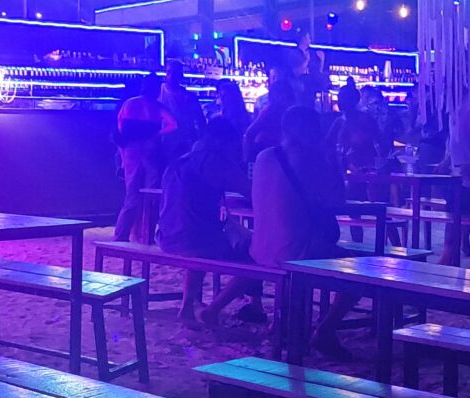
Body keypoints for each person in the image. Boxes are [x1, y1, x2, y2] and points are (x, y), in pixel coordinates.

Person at [251, 106, 360, 355]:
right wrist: (332, 157)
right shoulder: (310, 159)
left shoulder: (264, 156)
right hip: (296, 250)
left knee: (299, 246)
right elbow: (337, 200)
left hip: (260, 248)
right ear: (309, 130)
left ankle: (283, 323)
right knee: (358, 272)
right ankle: (324, 331)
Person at [158, 119, 264, 328]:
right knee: (256, 258)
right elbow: (251, 192)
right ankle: (214, 309)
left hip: (167, 236)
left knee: (198, 234)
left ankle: (187, 306)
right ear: (223, 141)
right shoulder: (215, 160)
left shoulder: (183, 159)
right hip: (194, 239)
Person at [114, 72, 164, 240]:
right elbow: (174, 124)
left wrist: (122, 156)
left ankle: (121, 236)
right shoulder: (156, 106)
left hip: (131, 152)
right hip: (149, 151)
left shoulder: (131, 103)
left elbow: (120, 131)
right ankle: (146, 236)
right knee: (151, 195)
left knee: (132, 196)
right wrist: (156, 135)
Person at [243, 64, 296, 163]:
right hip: (268, 153)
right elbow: (250, 133)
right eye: (273, 77)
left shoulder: (290, 111)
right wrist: (248, 159)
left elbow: (249, 134)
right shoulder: (269, 110)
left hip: (277, 154)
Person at [159, 57, 206, 156]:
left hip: (185, 145)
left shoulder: (189, 97)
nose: (171, 76)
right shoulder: (158, 93)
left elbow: (200, 121)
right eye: (169, 72)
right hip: (164, 144)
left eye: (175, 73)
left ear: (181, 76)